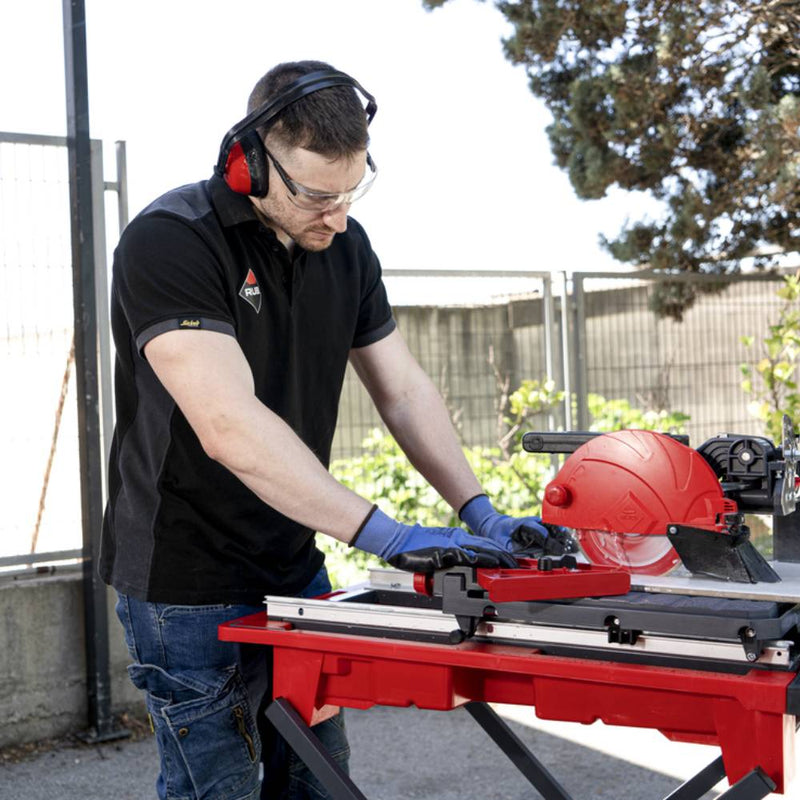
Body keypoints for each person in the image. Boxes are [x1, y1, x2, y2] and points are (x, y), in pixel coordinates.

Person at [100, 60, 564, 800]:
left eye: (351, 192)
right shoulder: (171, 241)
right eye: (318, 196)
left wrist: (475, 508)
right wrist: (385, 535)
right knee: (216, 788)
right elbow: (227, 423)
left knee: (319, 781)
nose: (338, 217)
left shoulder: (345, 247)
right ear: (249, 163)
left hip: (292, 565)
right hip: (182, 579)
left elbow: (404, 390)